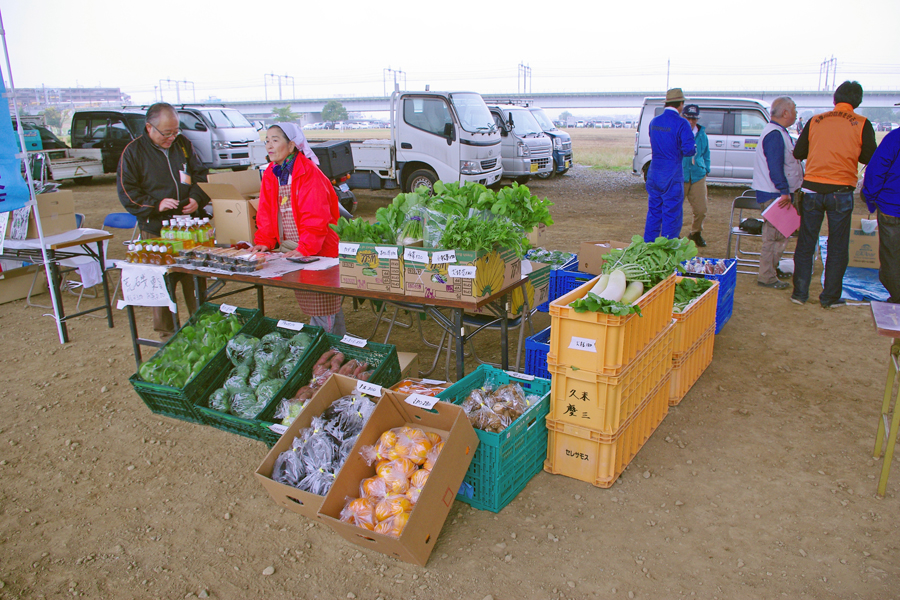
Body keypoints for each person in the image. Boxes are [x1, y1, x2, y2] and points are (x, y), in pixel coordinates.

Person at [117, 102, 210, 338]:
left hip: (191, 228)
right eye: (166, 133)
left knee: (195, 281)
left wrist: (197, 199)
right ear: (149, 128)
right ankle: (167, 336)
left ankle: (203, 326)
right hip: (157, 230)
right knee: (161, 284)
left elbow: (201, 175)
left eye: (175, 131)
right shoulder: (133, 152)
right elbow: (127, 192)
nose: (171, 137)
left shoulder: (184, 144)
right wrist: (155, 205)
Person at [250, 123, 346, 335]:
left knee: (323, 302)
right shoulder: (271, 173)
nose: (269, 145)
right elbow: (266, 212)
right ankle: (336, 345)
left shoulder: (308, 172)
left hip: (319, 248)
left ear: (291, 145)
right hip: (295, 249)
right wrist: (264, 242)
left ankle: (326, 348)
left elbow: (317, 217)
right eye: (267, 140)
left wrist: (306, 248)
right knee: (316, 302)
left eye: (275, 140)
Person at [791, 81, 878, 308]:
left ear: (834, 99)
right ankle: (829, 297)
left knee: (806, 242)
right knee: (837, 246)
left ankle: (799, 294)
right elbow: (870, 157)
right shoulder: (862, 123)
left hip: (811, 190)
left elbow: (799, 152)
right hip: (841, 191)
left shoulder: (815, 120)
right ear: (857, 102)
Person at [751, 96, 802, 290]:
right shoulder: (774, 134)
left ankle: (771, 270)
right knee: (774, 237)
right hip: (775, 194)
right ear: (786, 113)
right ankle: (767, 276)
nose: (796, 114)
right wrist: (784, 191)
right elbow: (775, 166)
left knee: (778, 235)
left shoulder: (777, 132)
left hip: (775, 193)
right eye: (794, 110)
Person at [644, 88, 696, 241]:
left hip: (654, 172)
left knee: (654, 213)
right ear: (681, 104)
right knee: (671, 215)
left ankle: (648, 249)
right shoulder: (682, 123)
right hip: (672, 174)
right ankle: (666, 252)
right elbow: (688, 150)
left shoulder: (654, 122)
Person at [861, 120, 900, 303]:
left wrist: (871, 198)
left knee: (891, 256)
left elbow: (876, 171)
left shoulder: (894, 138)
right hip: (891, 206)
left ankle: (897, 296)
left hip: (892, 208)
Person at [681, 104, 710, 247]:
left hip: (698, 175)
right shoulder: (678, 131)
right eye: (688, 118)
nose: (691, 121)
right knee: (674, 208)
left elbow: (706, 153)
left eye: (694, 118)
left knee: (701, 209)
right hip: (681, 174)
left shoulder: (702, 134)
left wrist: (707, 169)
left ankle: (696, 233)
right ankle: (673, 235)